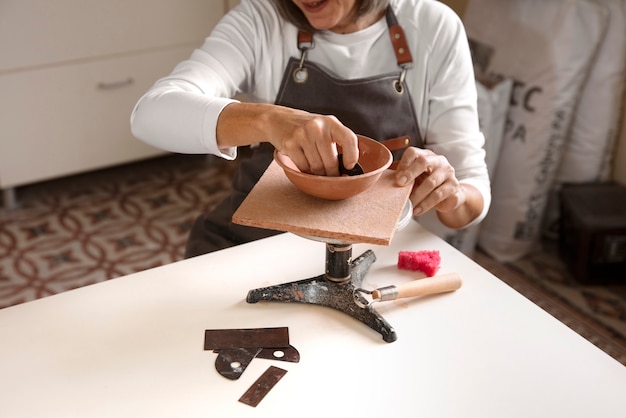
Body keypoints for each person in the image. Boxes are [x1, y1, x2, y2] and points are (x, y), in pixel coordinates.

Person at [131, 0, 491, 258]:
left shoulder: (432, 25)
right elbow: (150, 114)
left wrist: (453, 195)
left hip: (371, 258)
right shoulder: (260, 18)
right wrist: (269, 120)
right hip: (250, 246)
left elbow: (471, 192)